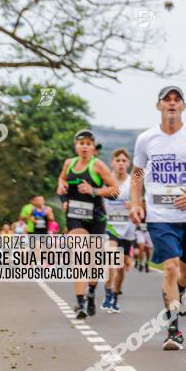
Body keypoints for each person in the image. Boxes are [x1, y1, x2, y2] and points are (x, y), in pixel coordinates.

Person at [129, 85, 186, 350]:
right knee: (170, 267)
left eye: (176, 99)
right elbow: (137, 176)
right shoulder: (146, 139)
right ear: (158, 106)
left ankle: (178, 294)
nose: (171, 103)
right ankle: (173, 330)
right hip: (159, 216)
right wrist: (136, 204)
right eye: (166, 100)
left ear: (183, 106)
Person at [56, 129, 119, 319]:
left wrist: (94, 190)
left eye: (88, 144)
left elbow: (115, 191)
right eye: (81, 143)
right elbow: (62, 180)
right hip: (75, 217)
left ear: (93, 148)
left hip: (96, 219)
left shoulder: (98, 166)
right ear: (76, 146)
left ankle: (91, 291)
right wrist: (62, 191)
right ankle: (80, 302)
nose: (84, 146)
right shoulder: (69, 163)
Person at [102, 148, 136, 313]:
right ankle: (108, 293)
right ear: (112, 162)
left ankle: (115, 293)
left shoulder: (133, 182)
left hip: (128, 229)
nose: (121, 164)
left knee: (121, 268)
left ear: (128, 164)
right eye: (118, 160)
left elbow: (141, 204)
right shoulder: (106, 180)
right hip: (109, 226)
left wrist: (135, 205)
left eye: (124, 161)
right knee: (111, 260)